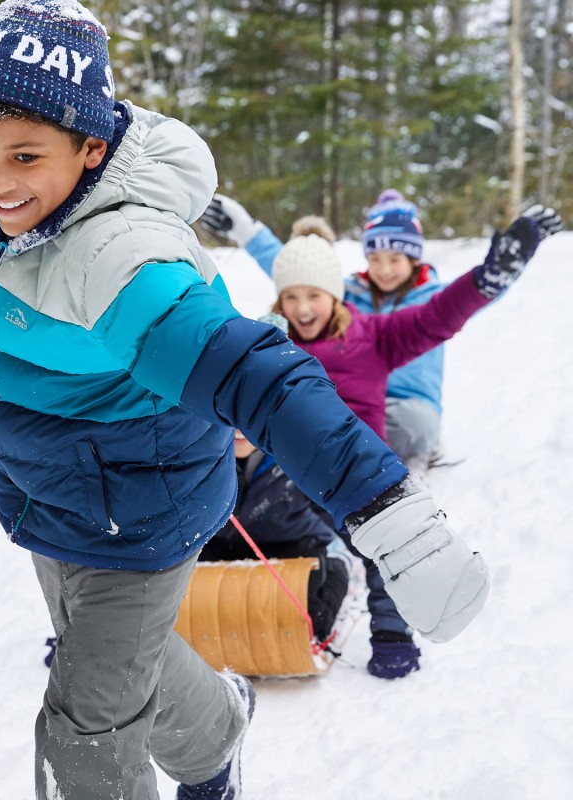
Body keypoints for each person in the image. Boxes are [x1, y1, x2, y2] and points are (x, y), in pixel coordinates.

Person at [0, 2, 498, 796]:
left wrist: (388, 513)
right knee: (113, 647)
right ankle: (220, 724)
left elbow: (255, 373)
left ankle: (203, 770)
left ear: (92, 146)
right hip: (58, 489)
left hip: (136, 505)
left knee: (87, 727)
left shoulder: (114, 250)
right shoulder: (33, 213)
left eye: (24, 155)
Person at [209, 209, 560, 681]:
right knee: (218, 500)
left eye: (314, 295)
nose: (302, 307)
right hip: (282, 473)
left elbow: (436, 317)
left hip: (346, 473)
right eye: (291, 296)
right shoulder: (274, 341)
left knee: (380, 542)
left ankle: (393, 634)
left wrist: (488, 279)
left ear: (335, 296)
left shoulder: (372, 337)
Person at [201, 191, 443, 476]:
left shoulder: (432, 299)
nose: (385, 269)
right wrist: (247, 231)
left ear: (414, 258)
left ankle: (407, 467)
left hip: (406, 408)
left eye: (395, 259)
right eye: (375, 259)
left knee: (410, 424)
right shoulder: (349, 294)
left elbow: (467, 298)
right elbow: (301, 271)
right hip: (355, 405)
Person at [199, 430, 351, 643]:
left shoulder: (299, 455)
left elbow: (353, 522)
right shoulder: (194, 452)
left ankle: (334, 570)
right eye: (228, 416)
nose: (238, 430)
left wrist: (390, 633)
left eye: (242, 415)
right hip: (217, 543)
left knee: (303, 628)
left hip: (289, 544)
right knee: (198, 620)